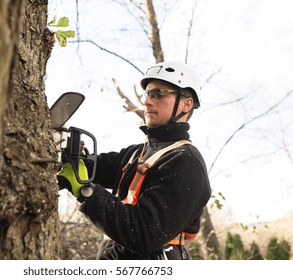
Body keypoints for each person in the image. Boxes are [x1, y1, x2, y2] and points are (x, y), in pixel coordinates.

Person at [57, 61, 211, 260]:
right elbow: (95, 167)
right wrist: (70, 156)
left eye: (159, 93)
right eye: (148, 94)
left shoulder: (185, 162)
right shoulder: (136, 153)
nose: (147, 101)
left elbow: (144, 233)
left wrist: (87, 192)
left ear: (186, 104)